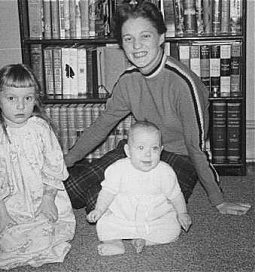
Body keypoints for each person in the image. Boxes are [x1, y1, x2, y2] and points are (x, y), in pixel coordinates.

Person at [64, 0, 251, 216]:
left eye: (145, 36)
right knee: (71, 191)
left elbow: (195, 146)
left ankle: (112, 198)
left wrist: (218, 200)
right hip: (142, 148)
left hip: (180, 158)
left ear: (161, 37)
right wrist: (67, 160)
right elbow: (101, 126)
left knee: (112, 205)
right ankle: (110, 192)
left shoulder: (183, 83)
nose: (136, 46)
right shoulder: (128, 81)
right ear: (122, 45)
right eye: (128, 39)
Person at [0, 64, 76, 269]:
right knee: (4, 236)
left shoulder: (41, 128)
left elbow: (54, 164)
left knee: (53, 228)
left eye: (27, 98)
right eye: (11, 98)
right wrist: (1, 212)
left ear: (35, 99)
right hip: (5, 202)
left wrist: (48, 198)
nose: (20, 106)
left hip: (40, 196)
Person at [87, 121, 192, 256]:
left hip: (155, 219)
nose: (148, 154)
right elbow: (108, 192)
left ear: (161, 150)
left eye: (154, 148)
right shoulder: (118, 169)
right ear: (128, 151)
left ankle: (145, 240)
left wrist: (182, 213)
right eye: (141, 148)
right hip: (124, 217)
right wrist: (99, 209)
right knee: (105, 224)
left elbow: (176, 195)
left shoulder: (165, 172)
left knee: (172, 229)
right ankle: (115, 243)